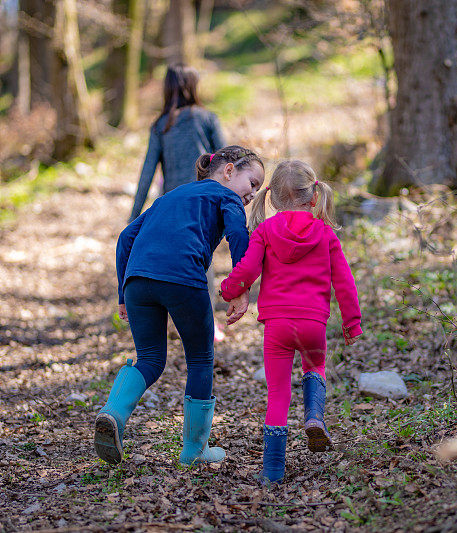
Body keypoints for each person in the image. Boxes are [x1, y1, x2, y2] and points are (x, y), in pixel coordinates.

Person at [94, 146, 264, 466]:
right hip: (183, 278)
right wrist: (241, 289)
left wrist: (123, 292)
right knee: (200, 359)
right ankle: (195, 451)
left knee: (150, 358)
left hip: (138, 281)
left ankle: (113, 413)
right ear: (228, 172)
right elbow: (238, 235)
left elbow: (127, 237)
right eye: (252, 182)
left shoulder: (169, 196)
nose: (253, 193)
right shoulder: (226, 197)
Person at [220, 160, 362, 484]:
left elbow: (247, 270)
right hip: (314, 324)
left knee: (279, 395)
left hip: (278, 327)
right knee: (315, 368)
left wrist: (229, 290)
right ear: (313, 197)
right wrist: (352, 323)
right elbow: (344, 282)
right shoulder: (325, 234)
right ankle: (314, 416)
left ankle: (272, 470)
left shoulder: (266, 231)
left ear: (272, 198)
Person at [129, 63, 228, 340]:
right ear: (193, 86)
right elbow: (228, 159)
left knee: (174, 261)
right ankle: (207, 323)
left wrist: (134, 215)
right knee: (203, 259)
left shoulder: (160, 125)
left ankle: (177, 321)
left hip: (172, 205)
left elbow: (147, 171)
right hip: (206, 201)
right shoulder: (207, 118)